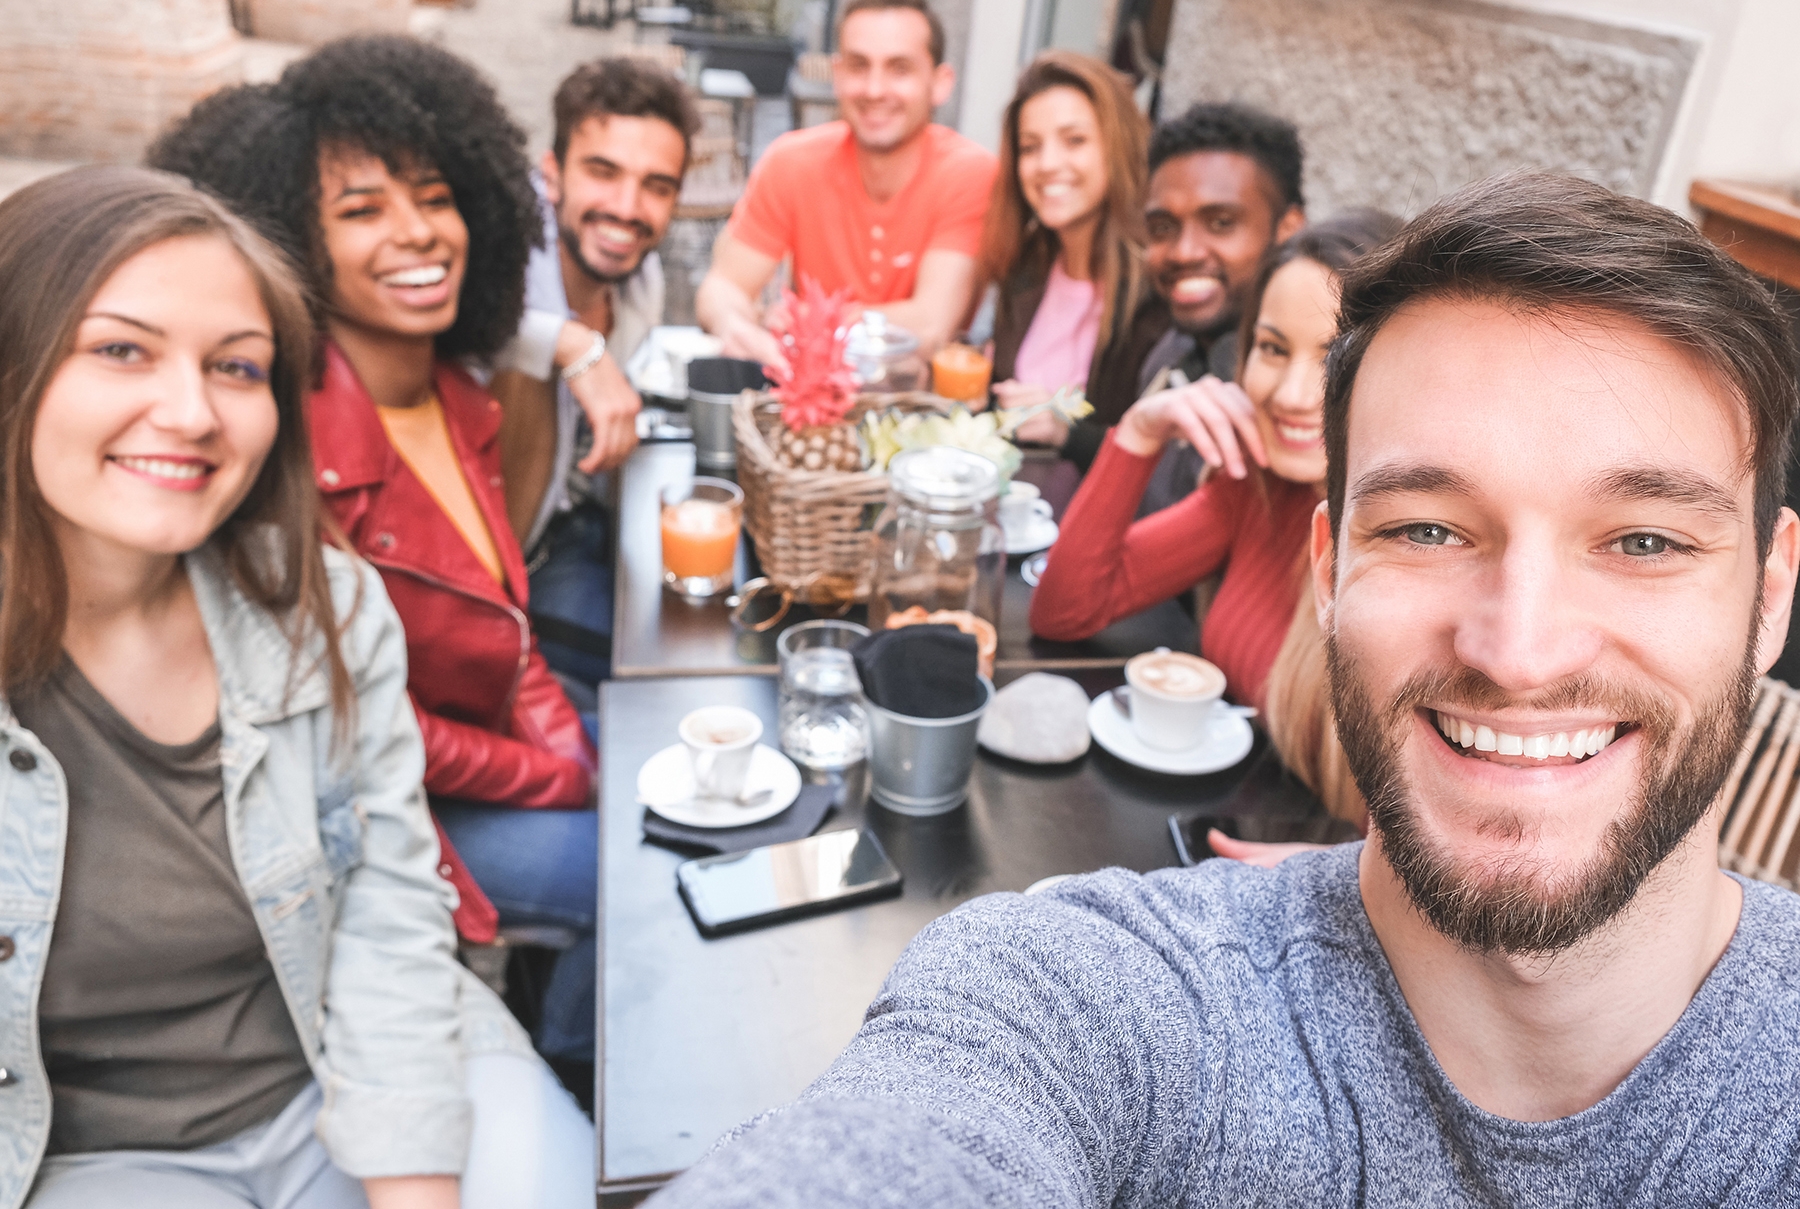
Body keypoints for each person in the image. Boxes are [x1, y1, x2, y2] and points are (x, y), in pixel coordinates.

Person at [646, 170, 1800, 1205]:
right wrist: (1139, 438)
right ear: (1329, 568)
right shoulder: (1101, 999)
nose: (1520, 649)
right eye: (1428, 527)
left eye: (1645, 541)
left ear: (1771, 595)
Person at [0, 166, 593, 1209]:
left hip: (357, 1056)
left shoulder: (326, 601)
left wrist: (413, 1184)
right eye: (122, 349)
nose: (190, 411)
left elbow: (387, 909)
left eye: (236, 366)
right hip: (97, 1154)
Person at [148, 36, 600, 1077]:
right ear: (288, 243)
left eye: (436, 198)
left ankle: (561, 1036)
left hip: (481, 759)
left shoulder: (460, 399)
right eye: (361, 211)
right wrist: (552, 773)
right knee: (631, 874)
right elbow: (363, 721)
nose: (418, 231)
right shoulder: (284, 458)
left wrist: (570, 754)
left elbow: (509, 622)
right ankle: (581, 1091)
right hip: (382, 818)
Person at [1030, 211, 1399, 720]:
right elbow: (1064, 611)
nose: (1291, 395)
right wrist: (1139, 433)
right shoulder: (1257, 490)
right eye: (1273, 348)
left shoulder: (1413, 550)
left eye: (1334, 358)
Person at [488, 56, 701, 687]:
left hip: (578, 528)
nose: (627, 208)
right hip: (500, 575)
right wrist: (567, 343)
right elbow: (461, 328)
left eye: (656, 186)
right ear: (552, 175)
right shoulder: (499, 254)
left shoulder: (642, 280)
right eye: (603, 173)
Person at [694, 0, 998, 367]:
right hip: (807, 388)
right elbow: (722, 286)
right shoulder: (792, 162)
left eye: (899, 69)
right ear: (837, 76)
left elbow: (930, 326)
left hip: (916, 397)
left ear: (940, 84)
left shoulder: (968, 173)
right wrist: (735, 325)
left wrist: (809, 319)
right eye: (858, 66)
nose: (874, 89)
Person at [980, 51, 1161, 480]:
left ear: (1117, 147)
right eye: (1030, 147)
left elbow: (1164, 465)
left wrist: (1066, 433)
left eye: (1074, 140)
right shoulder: (1025, 265)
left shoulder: (1155, 290)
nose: (1047, 164)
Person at [1135, 102, 1307, 513]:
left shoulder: (1295, 411)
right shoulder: (1169, 351)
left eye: (1221, 223)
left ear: (1287, 229)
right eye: (1163, 228)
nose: (1184, 252)